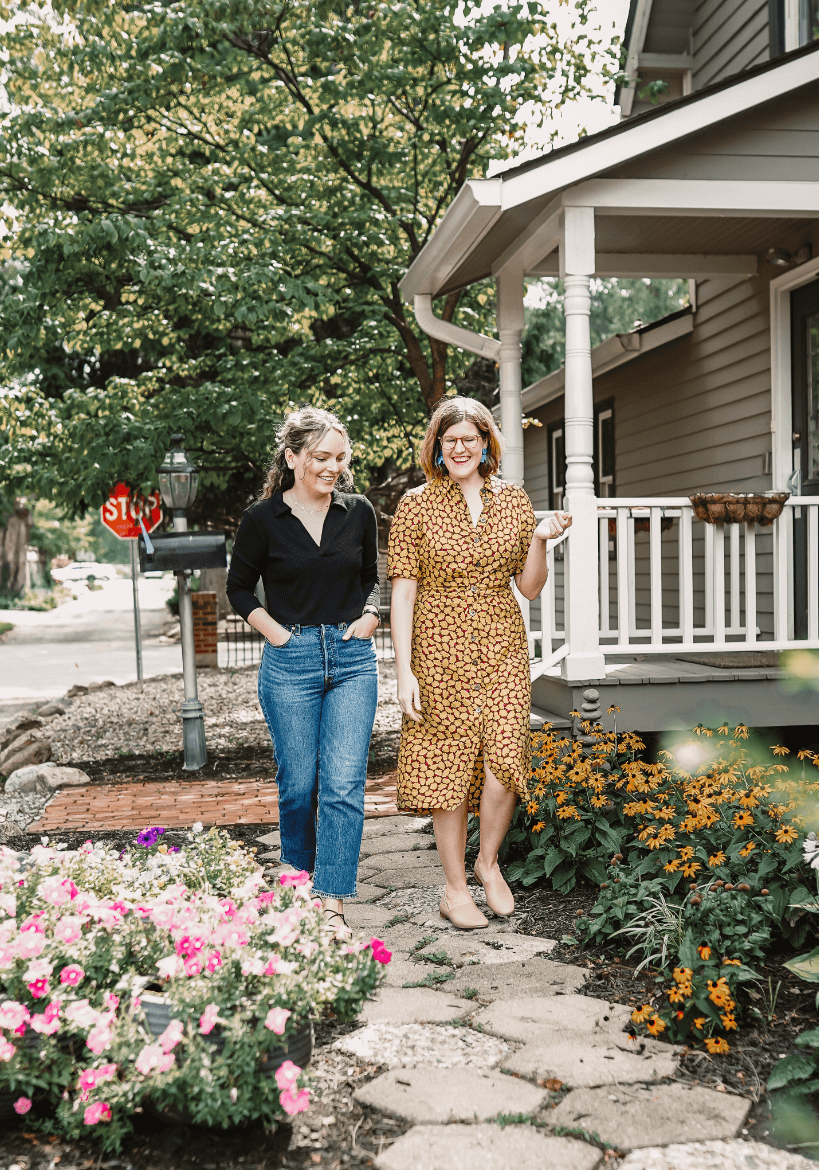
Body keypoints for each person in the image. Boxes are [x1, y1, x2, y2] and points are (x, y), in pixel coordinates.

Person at [388, 396, 570, 929]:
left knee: (504, 762)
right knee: (446, 769)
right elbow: (402, 594)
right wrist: (403, 672)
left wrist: (538, 538)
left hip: (502, 648)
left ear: (486, 442)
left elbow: (529, 588)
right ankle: (453, 889)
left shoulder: (514, 501)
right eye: (450, 440)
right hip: (438, 651)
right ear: (437, 449)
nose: (461, 447)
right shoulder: (416, 505)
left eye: (470, 438)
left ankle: (487, 864)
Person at [227, 407, 380, 930]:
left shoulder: (358, 512)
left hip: (351, 658)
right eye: (321, 457)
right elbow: (239, 588)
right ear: (293, 458)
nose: (333, 466)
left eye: (340, 457)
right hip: (289, 663)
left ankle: (331, 902)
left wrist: (371, 615)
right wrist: (277, 634)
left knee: (342, 785)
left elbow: (371, 576)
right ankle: (298, 887)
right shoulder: (262, 519)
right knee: (298, 786)